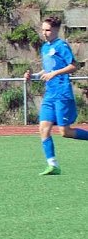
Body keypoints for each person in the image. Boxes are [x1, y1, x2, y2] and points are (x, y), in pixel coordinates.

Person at [23, 16, 88, 175]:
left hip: (62, 93)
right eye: (43, 29)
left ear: (56, 30)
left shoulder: (61, 45)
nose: (44, 33)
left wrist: (55, 74)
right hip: (50, 95)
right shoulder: (45, 47)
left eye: (48, 30)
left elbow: (73, 65)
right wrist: (34, 76)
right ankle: (53, 165)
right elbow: (48, 70)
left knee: (65, 132)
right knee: (43, 129)